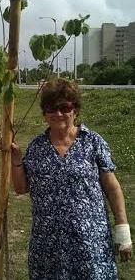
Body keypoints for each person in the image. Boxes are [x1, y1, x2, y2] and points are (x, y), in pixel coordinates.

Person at [11, 78, 132, 280]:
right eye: (51, 108)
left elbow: (112, 188)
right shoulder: (36, 148)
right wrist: (15, 160)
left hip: (90, 244)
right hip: (48, 247)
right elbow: (21, 188)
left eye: (64, 107)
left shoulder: (92, 142)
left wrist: (123, 231)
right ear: (44, 113)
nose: (58, 114)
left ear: (75, 109)